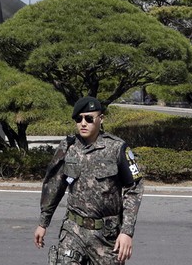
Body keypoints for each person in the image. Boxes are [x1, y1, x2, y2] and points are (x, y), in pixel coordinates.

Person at [33, 97, 144, 264]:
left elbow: (134, 188)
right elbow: (54, 185)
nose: (83, 123)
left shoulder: (117, 148)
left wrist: (126, 232)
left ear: (101, 119)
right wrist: (43, 223)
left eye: (89, 118)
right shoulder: (69, 147)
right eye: (79, 119)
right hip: (73, 231)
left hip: (106, 237)